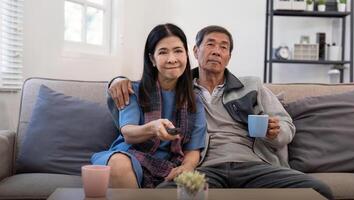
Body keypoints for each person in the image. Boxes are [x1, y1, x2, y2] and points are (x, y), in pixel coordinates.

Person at [108, 25, 333, 199]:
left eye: (223, 47)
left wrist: (275, 132)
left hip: (254, 164)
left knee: (319, 190)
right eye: (210, 44)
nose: (216, 51)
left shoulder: (252, 86)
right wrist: (117, 80)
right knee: (164, 194)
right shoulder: (184, 91)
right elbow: (146, 86)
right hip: (207, 168)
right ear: (195, 51)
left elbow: (286, 126)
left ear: (229, 56)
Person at [91, 23, 207, 188]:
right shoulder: (133, 90)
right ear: (152, 59)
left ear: (186, 55)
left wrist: (187, 167)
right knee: (119, 164)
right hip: (130, 156)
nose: (172, 59)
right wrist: (153, 128)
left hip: (170, 163)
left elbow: (193, 149)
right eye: (163, 52)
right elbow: (128, 133)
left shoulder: (195, 100)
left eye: (178, 51)